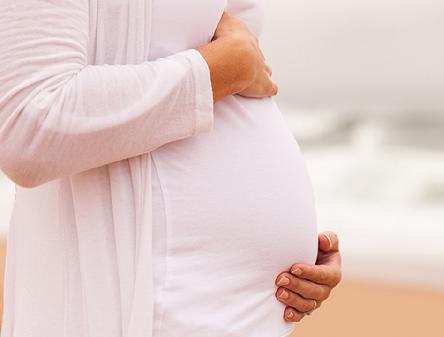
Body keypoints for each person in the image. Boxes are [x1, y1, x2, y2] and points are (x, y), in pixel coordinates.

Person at [0, 1, 342, 336]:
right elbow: (28, 125)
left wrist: (282, 245)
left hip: (239, 305)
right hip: (164, 303)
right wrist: (213, 72)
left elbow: (228, 75)